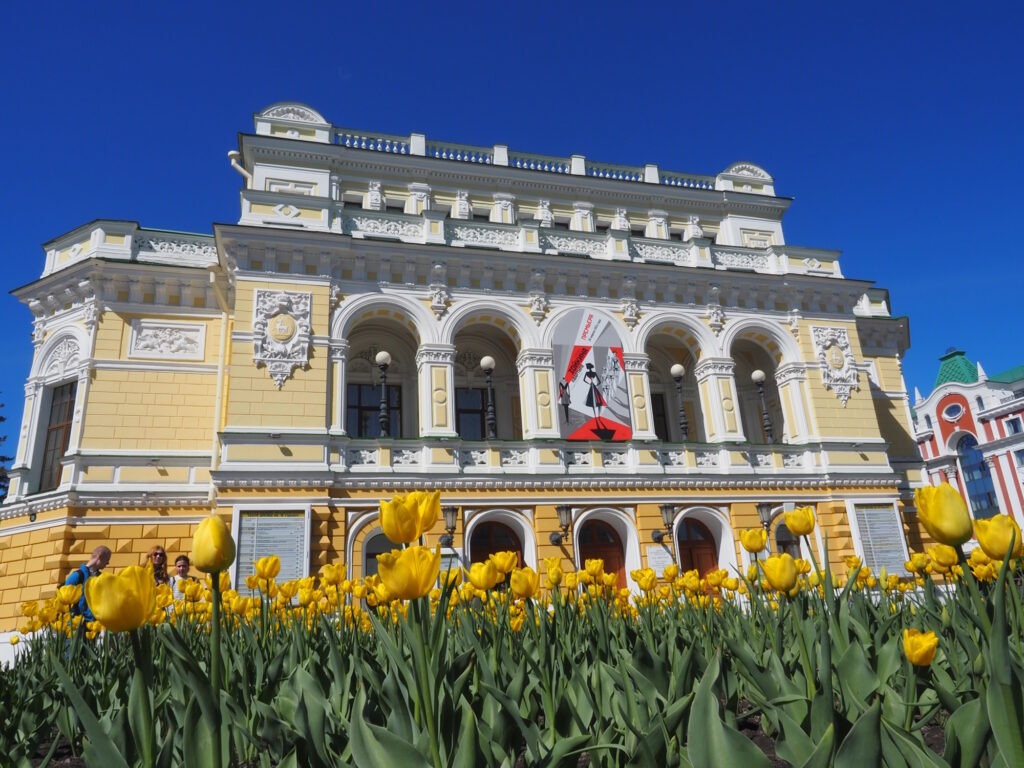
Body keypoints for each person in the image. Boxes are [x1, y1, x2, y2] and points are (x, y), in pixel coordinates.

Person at [64, 545, 111, 621]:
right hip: (78, 624)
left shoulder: (102, 578)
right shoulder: (77, 576)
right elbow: (66, 602)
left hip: (95, 625)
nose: (108, 563)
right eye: (107, 559)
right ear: (100, 556)